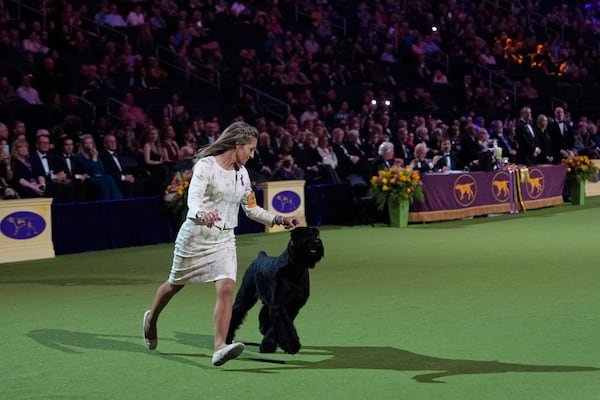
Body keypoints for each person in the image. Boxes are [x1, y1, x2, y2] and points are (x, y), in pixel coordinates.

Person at [143, 121, 299, 366]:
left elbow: (251, 209)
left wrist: (278, 218)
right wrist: (202, 213)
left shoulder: (242, 173)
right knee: (175, 283)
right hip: (196, 235)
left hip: (225, 238)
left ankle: (219, 346)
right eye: (250, 148)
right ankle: (151, 319)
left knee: (226, 287)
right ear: (237, 145)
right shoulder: (205, 166)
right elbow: (193, 200)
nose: (252, 154)